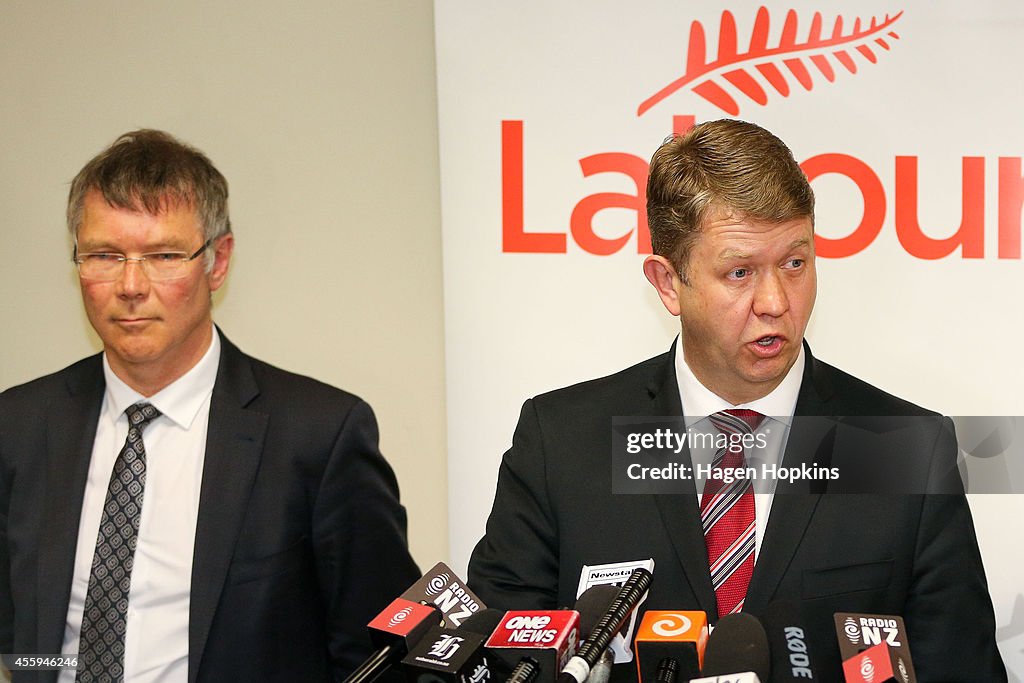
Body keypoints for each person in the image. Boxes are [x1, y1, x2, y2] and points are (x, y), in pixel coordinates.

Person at [467, 119, 1005, 682]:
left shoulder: (904, 449)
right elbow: (499, 659)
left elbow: (960, 666)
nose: (775, 301)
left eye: (795, 263)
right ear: (668, 283)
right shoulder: (562, 443)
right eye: (739, 271)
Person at [0, 130, 420, 682]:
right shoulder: (20, 425)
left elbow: (381, 656)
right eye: (104, 255)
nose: (130, 285)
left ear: (217, 262)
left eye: (163, 256)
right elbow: (21, 639)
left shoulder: (318, 435)